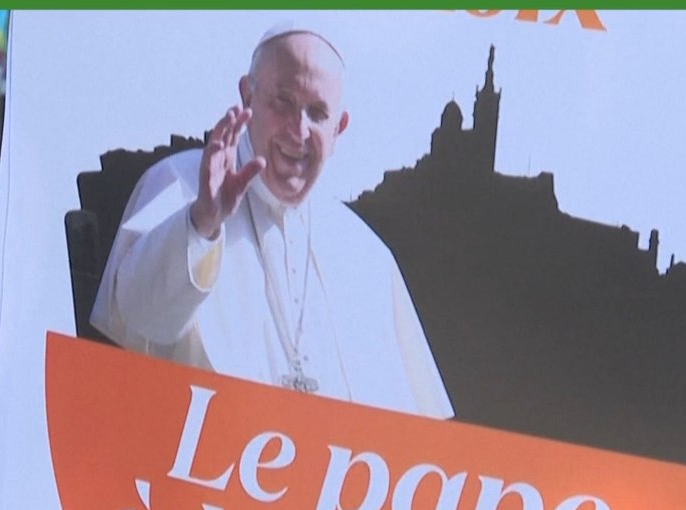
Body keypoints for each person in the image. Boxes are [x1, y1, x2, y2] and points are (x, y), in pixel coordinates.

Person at [90, 22, 453, 419]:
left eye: (317, 113)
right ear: (248, 96)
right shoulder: (179, 182)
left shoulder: (366, 254)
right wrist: (201, 224)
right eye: (283, 102)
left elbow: (412, 433)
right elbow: (140, 317)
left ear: (339, 128)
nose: (298, 131)